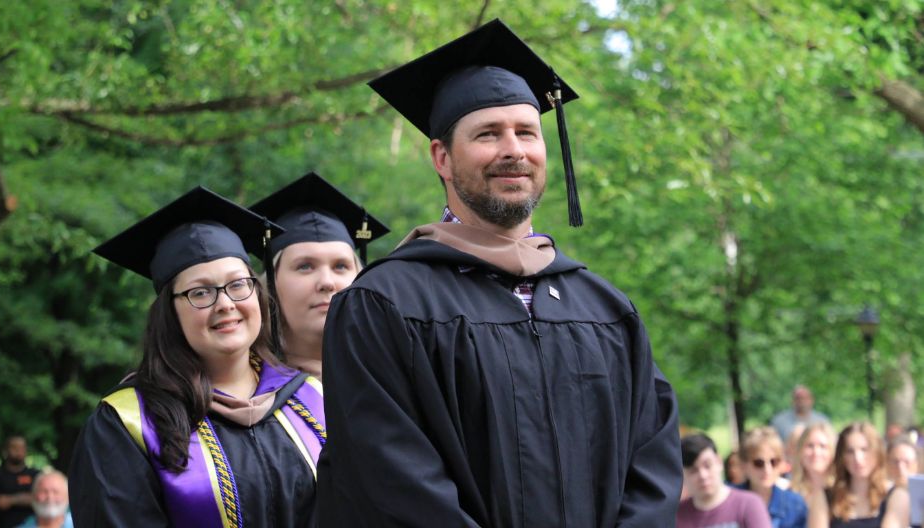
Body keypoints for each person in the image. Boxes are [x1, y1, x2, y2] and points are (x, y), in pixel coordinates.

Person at [316, 19, 682, 527]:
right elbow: (390, 482)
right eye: (488, 134)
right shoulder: (384, 304)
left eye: (526, 132)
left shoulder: (605, 310)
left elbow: (653, 466)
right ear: (442, 157)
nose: (514, 150)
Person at [68, 186, 323, 527]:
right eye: (200, 292)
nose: (225, 304)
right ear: (169, 314)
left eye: (238, 285)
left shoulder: (311, 400)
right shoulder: (128, 425)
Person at [248, 172, 388, 377]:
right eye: (305, 266)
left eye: (340, 266)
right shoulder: (246, 391)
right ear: (270, 285)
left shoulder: (393, 374)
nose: (327, 282)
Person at [807, 421, 910, 528]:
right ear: (842, 457)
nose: (858, 458)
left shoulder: (896, 496)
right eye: (850, 451)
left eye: (864, 450)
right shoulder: (824, 498)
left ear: (877, 452)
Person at [677, 433, 771, 528]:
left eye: (707, 465)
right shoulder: (676, 515)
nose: (703, 475)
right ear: (682, 474)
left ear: (719, 462)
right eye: (693, 470)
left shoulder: (749, 505)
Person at [736, 426, 807, 528]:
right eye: (758, 463)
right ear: (744, 465)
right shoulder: (729, 502)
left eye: (774, 462)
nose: (767, 470)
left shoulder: (796, 504)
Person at [0, 436, 40, 528]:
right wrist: (25, 498)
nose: (18, 451)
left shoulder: (35, 475)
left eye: (22, 448)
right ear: (6, 450)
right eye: (14, 447)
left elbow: (39, 498)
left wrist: (11, 500)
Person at [790, 421, 836, 500]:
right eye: (810, 446)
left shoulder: (841, 493)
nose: (816, 452)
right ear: (800, 451)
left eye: (823, 446)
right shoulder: (790, 494)